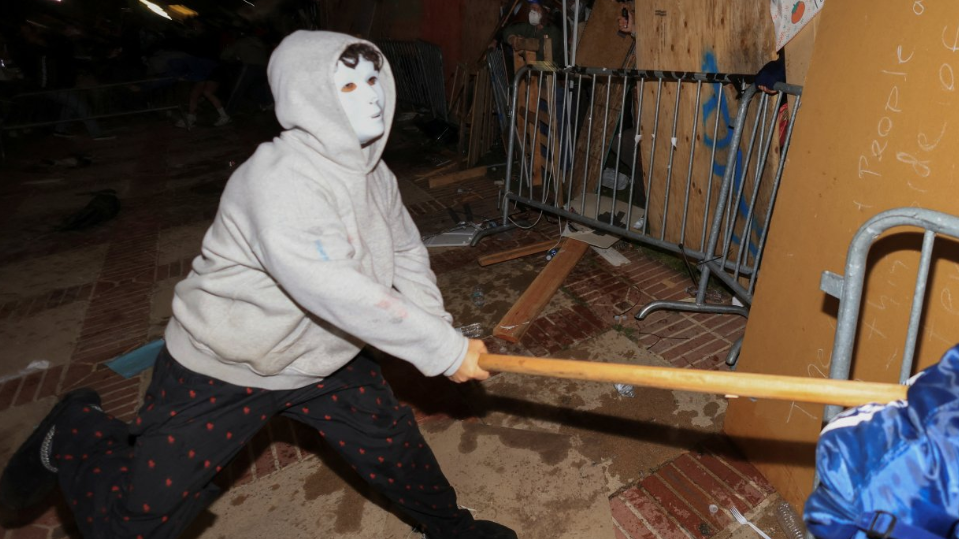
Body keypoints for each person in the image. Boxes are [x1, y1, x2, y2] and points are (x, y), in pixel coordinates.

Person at [0, 31, 516, 539]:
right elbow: (330, 286)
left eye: (373, 78)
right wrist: (442, 350)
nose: (375, 96)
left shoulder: (372, 172)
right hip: (226, 363)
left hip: (325, 356)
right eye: (350, 86)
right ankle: (76, 427)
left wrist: (438, 328)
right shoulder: (278, 180)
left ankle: (453, 531)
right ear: (308, 98)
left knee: (395, 448)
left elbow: (404, 250)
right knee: (131, 527)